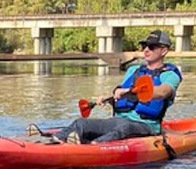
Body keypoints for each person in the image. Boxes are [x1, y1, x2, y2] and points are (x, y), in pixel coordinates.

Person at [49, 30, 182, 144]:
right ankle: (56, 142)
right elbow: (121, 93)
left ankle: (93, 146)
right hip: (118, 120)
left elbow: (164, 92)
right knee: (81, 124)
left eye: (152, 47)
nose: (146, 50)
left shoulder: (169, 75)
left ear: (164, 50)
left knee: (124, 129)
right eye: (144, 46)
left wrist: (132, 91)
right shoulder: (134, 70)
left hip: (146, 126)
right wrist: (108, 97)